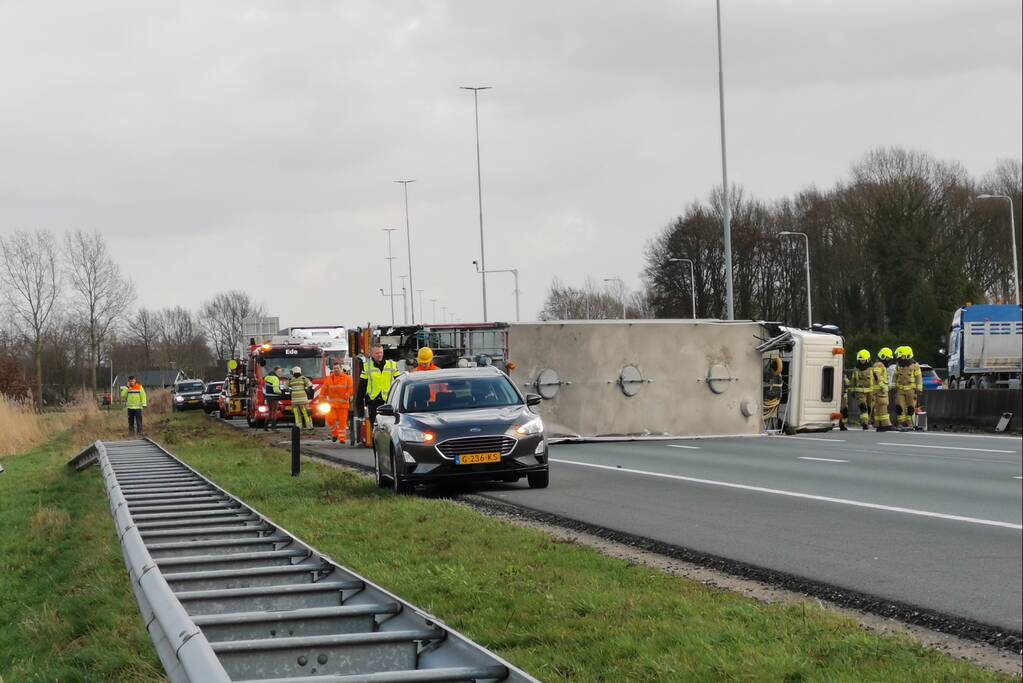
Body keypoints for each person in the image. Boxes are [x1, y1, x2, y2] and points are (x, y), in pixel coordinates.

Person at [356, 343, 399, 429]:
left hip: (388, 401)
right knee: (375, 428)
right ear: (372, 354)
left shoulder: (391, 364)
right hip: (373, 402)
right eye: (377, 353)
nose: (379, 355)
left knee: (389, 427)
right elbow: (362, 388)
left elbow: (399, 381)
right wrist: (359, 408)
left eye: (381, 352)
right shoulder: (367, 366)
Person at [321, 362, 353, 443]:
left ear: (341, 369)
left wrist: (347, 395)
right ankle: (335, 434)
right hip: (332, 405)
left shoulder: (347, 378)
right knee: (330, 419)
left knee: (342, 423)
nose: (336, 370)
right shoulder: (328, 379)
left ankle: (342, 438)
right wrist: (322, 400)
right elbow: (323, 391)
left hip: (343, 405)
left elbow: (351, 389)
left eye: (337, 368)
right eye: (334, 368)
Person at [893, 346, 923, 430]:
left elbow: (918, 377)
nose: (898, 357)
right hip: (900, 390)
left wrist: (919, 388)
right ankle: (902, 423)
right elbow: (895, 376)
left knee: (910, 407)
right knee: (899, 406)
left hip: (911, 390)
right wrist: (892, 386)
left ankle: (910, 424)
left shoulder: (915, 365)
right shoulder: (898, 365)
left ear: (905, 355)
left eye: (900, 355)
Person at [848, 349, 876, 430]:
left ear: (867, 360)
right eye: (860, 360)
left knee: (869, 407)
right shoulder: (856, 369)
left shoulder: (872, 369)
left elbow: (876, 380)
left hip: (870, 392)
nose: (861, 362)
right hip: (860, 392)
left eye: (863, 360)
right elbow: (853, 381)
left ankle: (868, 420)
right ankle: (864, 423)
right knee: (863, 407)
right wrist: (852, 391)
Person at [872, 347, 894, 432]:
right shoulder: (879, 365)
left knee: (879, 408)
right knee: (883, 407)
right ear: (884, 357)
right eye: (888, 358)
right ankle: (886, 424)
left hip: (879, 391)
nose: (889, 360)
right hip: (880, 391)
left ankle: (879, 425)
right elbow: (877, 375)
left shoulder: (879, 364)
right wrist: (882, 385)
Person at [287, 366, 314, 431]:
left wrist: (291, 390)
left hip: (294, 401)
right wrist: (306, 390)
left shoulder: (290, 379)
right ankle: (309, 426)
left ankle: (299, 427)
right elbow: (310, 385)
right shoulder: (304, 378)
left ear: (293, 372)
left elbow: (286, 388)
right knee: (305, 413)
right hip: (303, 400)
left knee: (297, 414)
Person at [263, 366, 284, 432]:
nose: (280, 373)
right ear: (275, 371)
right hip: (274, 397)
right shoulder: (275, 378)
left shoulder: (268, 377)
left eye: (281, 371)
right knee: (274, 412)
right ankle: (273, 427)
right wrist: (282, 392)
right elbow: (276, 390)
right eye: (279, 371)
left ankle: (265, 427)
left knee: (270, 412)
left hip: (268, 397)